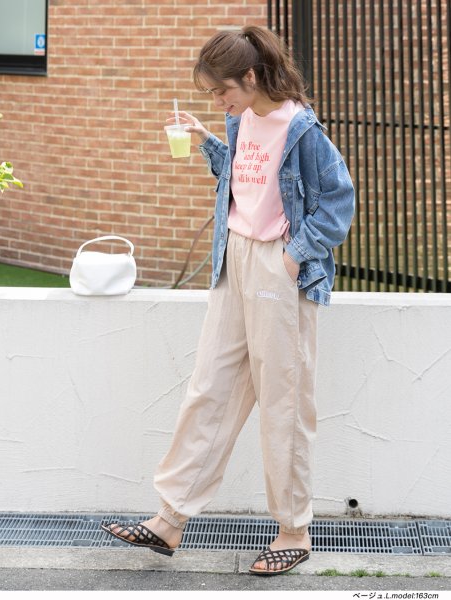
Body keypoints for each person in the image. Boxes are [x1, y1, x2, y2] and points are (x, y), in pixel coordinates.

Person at [102, 25, 355, 576]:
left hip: (276, 266)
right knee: (210, 386)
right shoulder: (240, 120)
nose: (220, 101)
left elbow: (338, 203)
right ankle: (170, 520)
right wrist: (211, 143)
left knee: (283, 401)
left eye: (222, 91)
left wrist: (293, 258)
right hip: (233, 258)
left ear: (251, 75)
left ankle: (294, 530)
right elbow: (244, 183)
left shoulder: (302, 129)